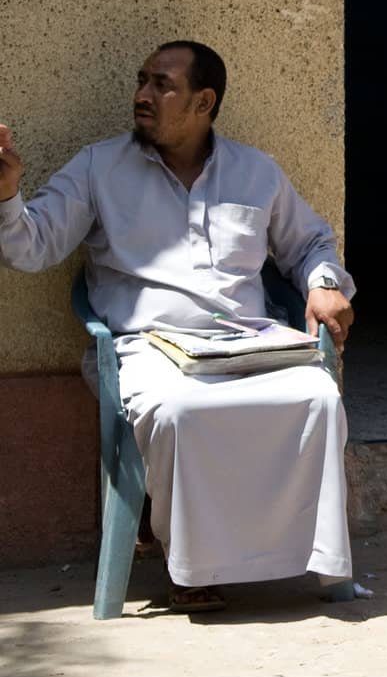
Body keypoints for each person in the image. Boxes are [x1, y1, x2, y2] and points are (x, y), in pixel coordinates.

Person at [0, 40, 357, 613]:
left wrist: (326, 282)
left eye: (162, 85)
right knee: (180, 410)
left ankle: (302, 558)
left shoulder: (255, 171)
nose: (142, 95)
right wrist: (7, 192)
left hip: (247, 343)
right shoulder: (99, 167)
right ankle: (189, 565)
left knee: (316, 396)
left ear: (203, 101)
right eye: (142, 81)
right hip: (146, 350)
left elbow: (311, 241)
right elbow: (30, 248)